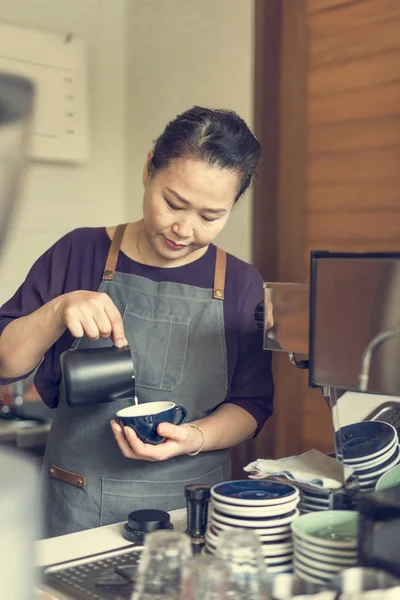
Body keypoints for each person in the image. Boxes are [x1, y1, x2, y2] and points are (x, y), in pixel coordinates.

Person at [0, 106, 274, 537]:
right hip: (77, 503)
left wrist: (194, 437)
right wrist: (58, 310)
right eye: (173, 203)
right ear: (148, 169)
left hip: (191, 513)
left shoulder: (241, 283)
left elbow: (252, 405)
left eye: (210, 217)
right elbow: (6, 363)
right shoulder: (80, 251)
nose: (183, 229)